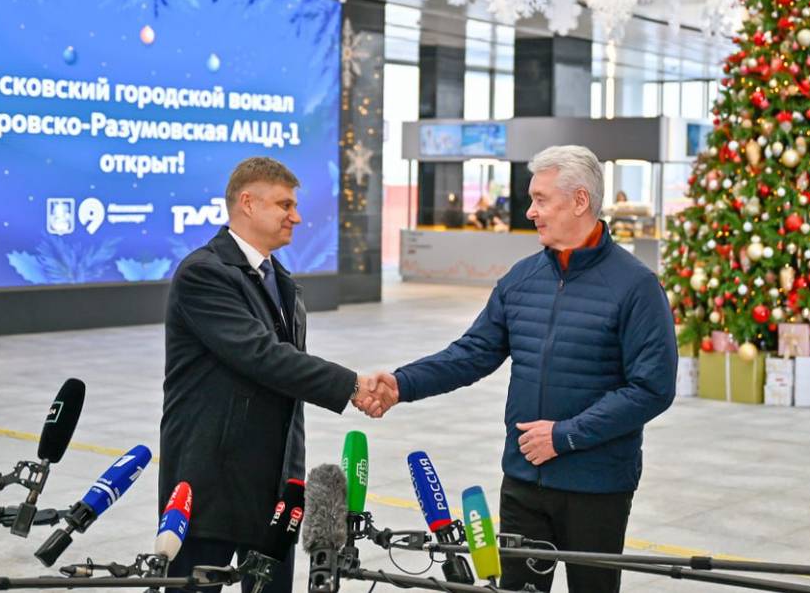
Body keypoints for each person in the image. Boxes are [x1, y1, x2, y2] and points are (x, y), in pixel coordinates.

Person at [367, 145, 677, 593]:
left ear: (579, 201)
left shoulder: (636, 286)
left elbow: (652, 388)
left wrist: (565, 435)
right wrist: (402, 383)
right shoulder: (521, 278)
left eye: (540, 199)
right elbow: (473, 352)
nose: (530, 211)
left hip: (596, 486)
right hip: (524, 480)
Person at [159, 157, 385, 593]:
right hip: (211, 482)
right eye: (285, 205)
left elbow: (284, 376)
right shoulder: (203, 273)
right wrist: (353, 386)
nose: (296, 217)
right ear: (247, 203)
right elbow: (262, 356)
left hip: (275, 486)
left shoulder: (280, 280)